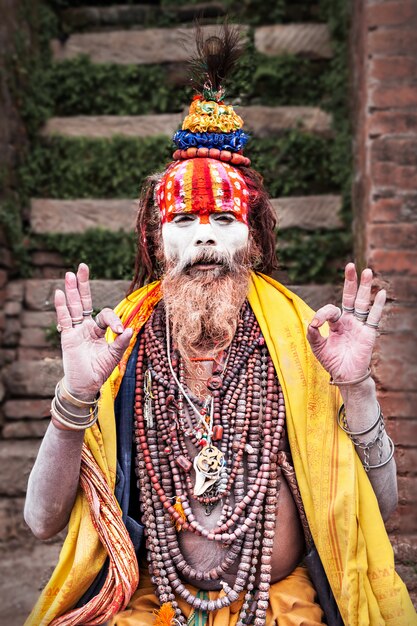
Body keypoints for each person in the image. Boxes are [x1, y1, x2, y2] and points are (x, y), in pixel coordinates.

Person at [24, 28, 415, 626]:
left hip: (284, 608)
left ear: (253, 240)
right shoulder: (121, 350)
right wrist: (77, 396)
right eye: (184, 218)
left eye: (224, 218)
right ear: (156, 240)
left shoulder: (303, 341)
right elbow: (41, 521)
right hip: (149, 609)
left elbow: (378, 511)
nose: (204, 235)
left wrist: (357, 388)